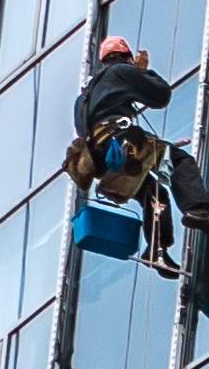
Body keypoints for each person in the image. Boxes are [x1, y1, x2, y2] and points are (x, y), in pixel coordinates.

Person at [69, 35, 190, 274]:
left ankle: (156, 250)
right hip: (122, 143)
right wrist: (141, 72)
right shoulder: (121, 72)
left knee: (154, 194)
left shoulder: (82, 98)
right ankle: (195, 212)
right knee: (179, 161)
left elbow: (83, 130)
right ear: (124, 57)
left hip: (101, 160)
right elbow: (160, 95)